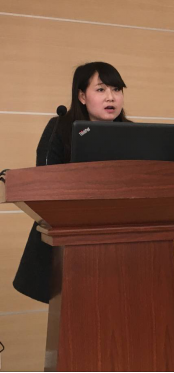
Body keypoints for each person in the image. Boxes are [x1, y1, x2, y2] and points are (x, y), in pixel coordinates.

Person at [13, 61, 131, 303]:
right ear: (82, 96)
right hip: (68, 240)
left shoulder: (133, 133)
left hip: (121, 243)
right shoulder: (60, 128)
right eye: (101, 89)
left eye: (116, 89)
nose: (111, 97)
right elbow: (45, 182)